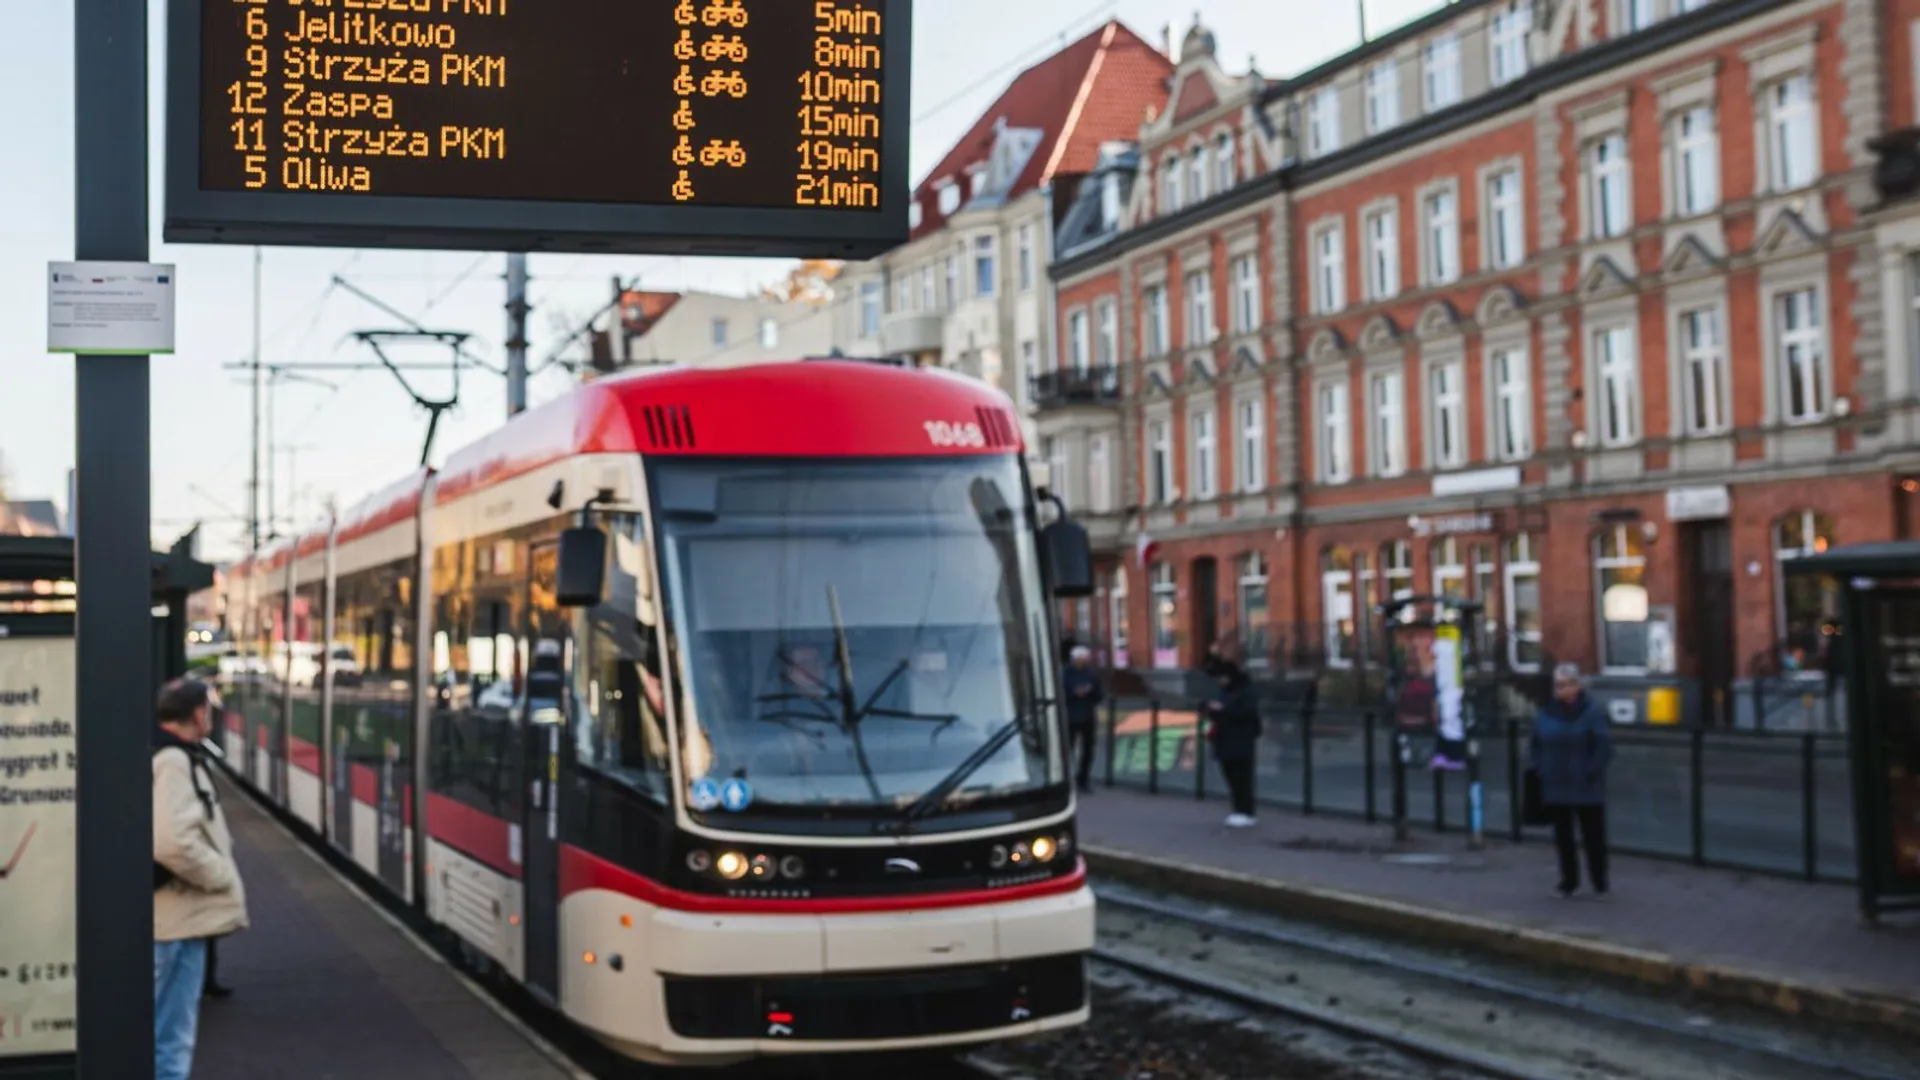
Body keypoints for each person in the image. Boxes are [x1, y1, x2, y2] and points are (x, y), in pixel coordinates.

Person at [154, 678, 250, 1080]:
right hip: (177, 923)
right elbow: (173, 842)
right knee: (172, 1040)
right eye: (208, 708)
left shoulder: (166, 754)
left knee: (165, 1034)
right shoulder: (175, 762)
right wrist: (220, 876)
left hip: (173, 920)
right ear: (197, 714)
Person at [1530, 663, 1614, 898]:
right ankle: (1569, 881)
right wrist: (1540, 768)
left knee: (1593, 836)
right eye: (1556, 684)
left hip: (1586, 785)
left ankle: (1600, 882)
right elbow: (1535, 742)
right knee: (1563, 836)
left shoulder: (1591, 712)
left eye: (1564, 684)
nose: (1559, 689)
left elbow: (1603, 746)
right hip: (1556, 784)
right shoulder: (1546, 712)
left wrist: (1591, 771)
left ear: (1576, 686)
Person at [1202, 642, 1260, 828]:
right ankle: (1238, 809)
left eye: (1224, 678)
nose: (1221, 681)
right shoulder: (1228, 690)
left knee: (1241, 776)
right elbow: (1211, 670)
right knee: (1231, 776)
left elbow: (1244, 713)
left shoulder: (1244, 691)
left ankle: (1246, 811)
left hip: (1239, 740)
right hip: (1227, 739)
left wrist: (1222, 710)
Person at [1061, 645, 1102, 791]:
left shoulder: (1091, 674)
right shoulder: (1065, 673)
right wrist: (1074, 693)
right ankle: (1066, 779)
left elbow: (1099, 695)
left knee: (1088, 749)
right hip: (1071, 716)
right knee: (1068, 748)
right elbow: (1062, 693)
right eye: (1079, 659)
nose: (1082, 662)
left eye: (1084, 659)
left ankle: (1083, 780)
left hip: (1088, 716)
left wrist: (1090, 693)